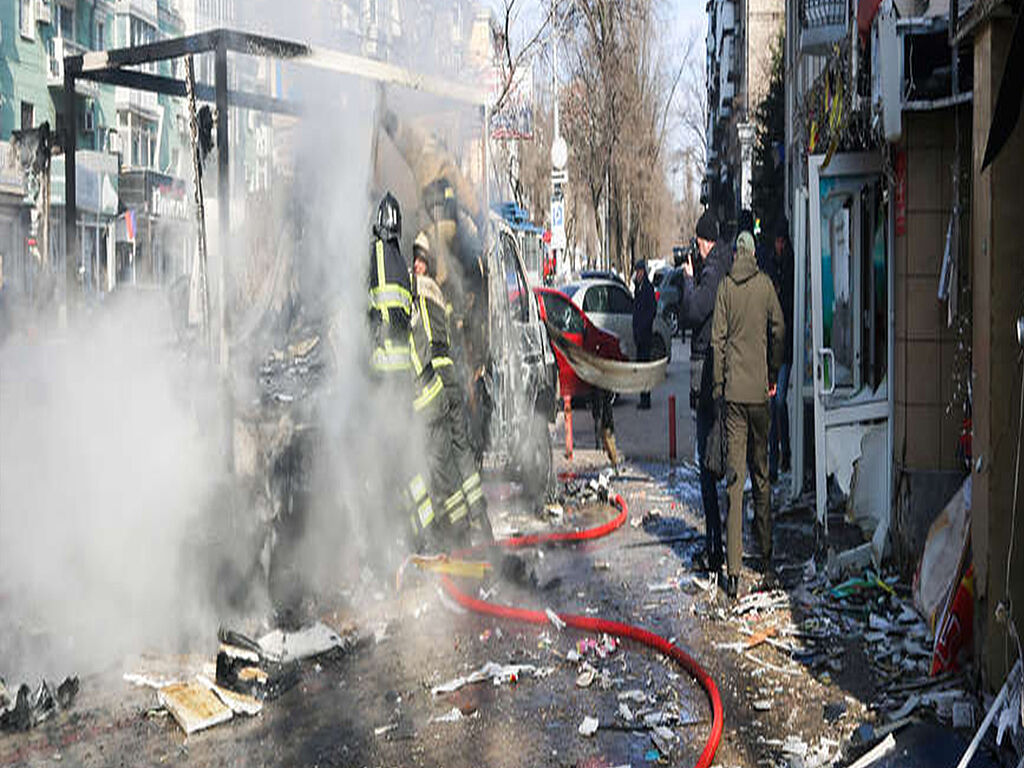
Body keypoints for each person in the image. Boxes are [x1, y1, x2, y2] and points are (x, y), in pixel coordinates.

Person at [711, 231, 785, 599]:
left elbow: (717, 340)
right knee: (762, 475)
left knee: (735, 484)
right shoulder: (766, 286)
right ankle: (768, 561)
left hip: (734, 399)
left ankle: (734, 573)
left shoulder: (725, 287)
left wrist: (718, 387)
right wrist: (772, 373)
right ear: (753, 254)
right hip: (759, 395)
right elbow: (780, 329)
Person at [410, 232, 493, 547]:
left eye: (420, 260)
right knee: (463, 458)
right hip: (454, 382)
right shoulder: (439, 294)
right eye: (414, 259)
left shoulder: (418, 289)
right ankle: (481, 520)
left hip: (439, 385)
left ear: (427, 265)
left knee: (441, 461)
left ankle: (457, 534)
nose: (415, 265)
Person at [367, 192, 436, 550]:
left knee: (384, 461)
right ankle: (424, 528)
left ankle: (387, 540)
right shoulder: (403, 268)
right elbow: (406, 322)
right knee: (407, 460)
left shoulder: (377, 256)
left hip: (383, 381)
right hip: (404, 383)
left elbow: (370, 315)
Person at [680, 210, 733, 576]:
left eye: (698, 242)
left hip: (709, 371)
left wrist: (687, 279)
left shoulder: (712, 272)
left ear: (705, 240)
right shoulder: (722, 266)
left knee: (707, 462)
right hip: (721, 372)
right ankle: (719, 544)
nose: (695, 248)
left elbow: (694, 311)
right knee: (718, 459)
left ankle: (717, 549)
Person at [767, 217, 795, 481]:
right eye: (776, 241)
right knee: (773, 404)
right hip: (774, 349)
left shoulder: (789, 266)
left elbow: (788, 306)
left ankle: (784, 452)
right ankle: (776, 460)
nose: (779, 246)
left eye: (782, 241)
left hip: (784, 349)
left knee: (779, 402)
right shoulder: (771, 266)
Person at [632, 260, 657, 409]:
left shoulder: (648, 288)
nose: (638, 274)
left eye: (640, 271)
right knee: (640, 368)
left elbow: (651, 310)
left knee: (645, 368)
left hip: (645, 334)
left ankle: (646, 399)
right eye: (637, 272)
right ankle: (642, 397)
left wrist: (643, 326)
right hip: (638, 335)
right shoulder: (638, 288)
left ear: (644, 272)